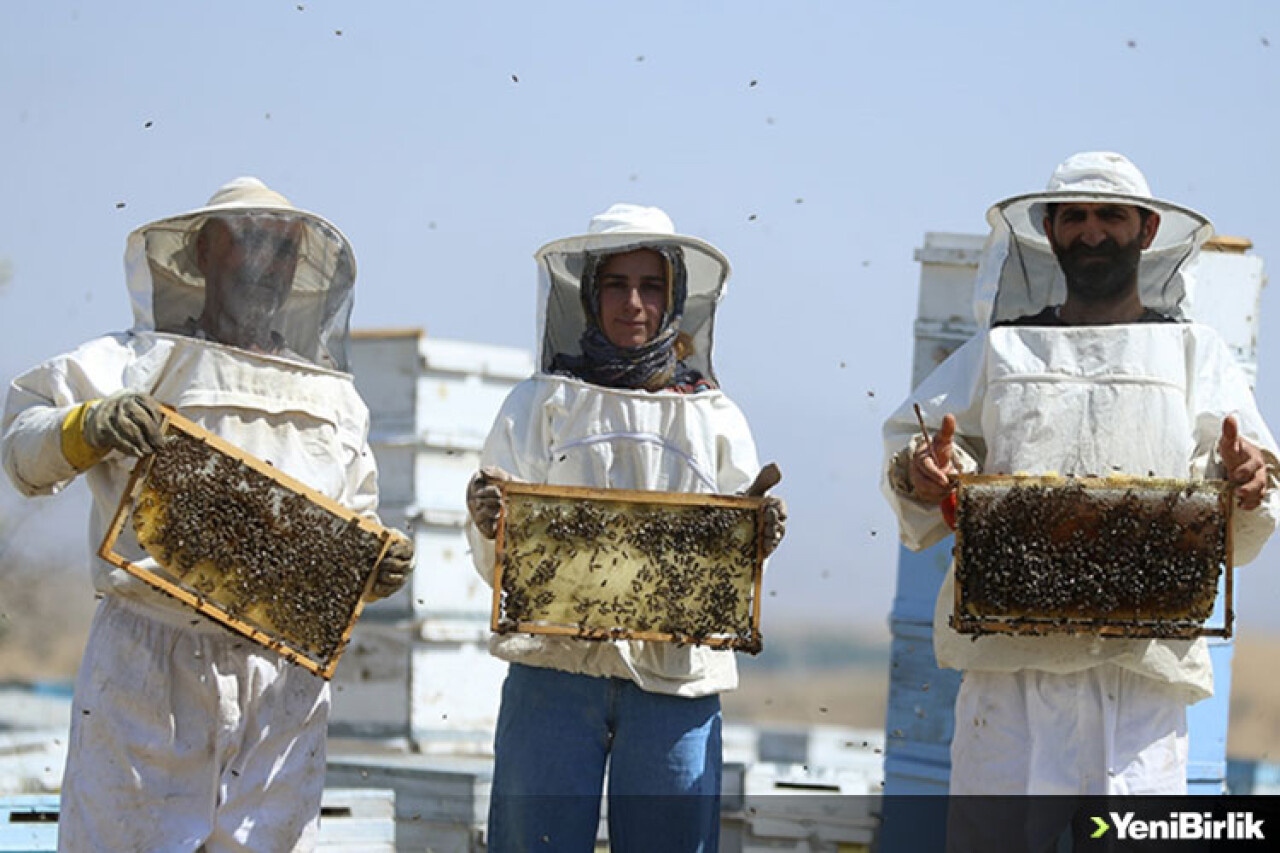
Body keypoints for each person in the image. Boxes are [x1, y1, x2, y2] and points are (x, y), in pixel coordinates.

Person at [1, 177, 414, 852]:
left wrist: (376, 567)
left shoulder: (335, 400)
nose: (267, 264)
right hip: (149, 662)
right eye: (249, 242)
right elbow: (22, 447)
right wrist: (87, 425)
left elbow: (353, 527)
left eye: (285, 250)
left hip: (282, 681)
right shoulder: (133, 361)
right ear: (204, 253)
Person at [882, 152, 1279, 803]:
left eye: (1110, 216)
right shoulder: (1001, 350)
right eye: (1075, 217)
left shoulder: (1194, 352)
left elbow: (1253, 483)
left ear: (1147, 230)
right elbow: (919, 452)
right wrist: (923, 472)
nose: (1092, 232)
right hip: (1008, 671)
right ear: (1050, 229)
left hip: (1142, 672)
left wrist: (1249, 480)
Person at [464, 203, 786, 852]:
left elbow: (731, 569)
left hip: (676, 678)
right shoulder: (539, 403)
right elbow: (494, 552)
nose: (633, 303)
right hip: (554, 671)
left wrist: (754, 538)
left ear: (675, 298)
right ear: (589, 294)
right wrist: (489, 519)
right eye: (616, 284)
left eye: (650, 286)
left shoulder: (715, 417)